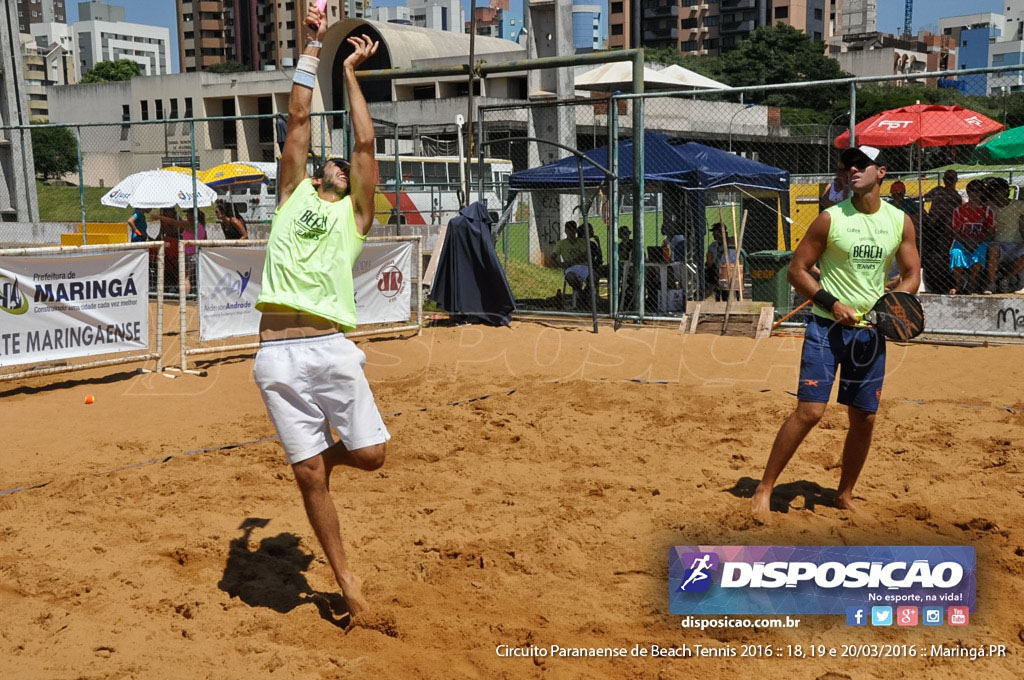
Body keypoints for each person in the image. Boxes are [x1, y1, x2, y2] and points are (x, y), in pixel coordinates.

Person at [252, 4, 385, 618]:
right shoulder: (289, 195)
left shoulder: (354, 217)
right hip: (275, 353)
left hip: (330, 347)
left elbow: (363, 141)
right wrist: (312, 44)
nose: (333, 164)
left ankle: (322, 454)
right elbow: (299, 116)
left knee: (371, 456)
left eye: (340, 168)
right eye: (323, 164)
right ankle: (347, 583)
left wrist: (351, 70)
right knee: (308, 479)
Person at [751, 145, 920, 523]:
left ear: (881, 172)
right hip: (826, 327)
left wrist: (893, 304)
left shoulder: (900, 221)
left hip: (869, 333)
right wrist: (832, 302)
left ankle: (844, 495)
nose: (853, 169)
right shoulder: (830, 219)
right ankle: (765, 487)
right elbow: (797, 270)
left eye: (862, 164)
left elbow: (912, 275)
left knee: (864, 418)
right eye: (848, 165)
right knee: (810, 411)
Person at [949, 180, 995, 295]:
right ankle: (958, 283)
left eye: (977, 191)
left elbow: (991, 232)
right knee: (955, 252)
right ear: (968, 193)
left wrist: (977, 241)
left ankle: (972, 282)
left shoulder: (987, 211)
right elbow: (955, 232)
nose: (974, 194)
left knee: (981, 251)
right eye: (972, 191)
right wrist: (966, 241)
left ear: (981, 193)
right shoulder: (959, 211)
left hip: (980, 241)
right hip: (963, 241)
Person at [920, 170, 962, 294]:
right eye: (946, 178)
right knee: (930, 253)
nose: (948, 181)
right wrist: (914, 197)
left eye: (951, 178)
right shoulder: (938, 190)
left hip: (946, 228)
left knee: (943, 254)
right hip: (933, 225)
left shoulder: (956, 196)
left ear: (955, 180)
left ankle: (944, 281)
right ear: (943, 180)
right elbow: (925, 196)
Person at [983, 177, 1024, 293]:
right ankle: (991, 284)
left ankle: (1006, 279)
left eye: (999, 191)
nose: (997, 195)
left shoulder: (1018, 205)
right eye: (994, 192)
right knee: (993, 248)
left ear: (1006, 191)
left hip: (1017, 244)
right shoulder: (989, 207)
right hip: (999, 245)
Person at [550, 220, 590, 300]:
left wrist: (572, 262)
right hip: (570, 268)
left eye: (573, 229)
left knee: (594, 278)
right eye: (569, 229)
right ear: (565, 231)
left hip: (583, 266)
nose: (571, 232)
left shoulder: (581, 242)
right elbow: (552, 257)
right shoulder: (561, 243)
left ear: (576, 230)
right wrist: (560, 264)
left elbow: (585, 255)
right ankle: (581, 294)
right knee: (571, 277)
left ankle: (586, 294)